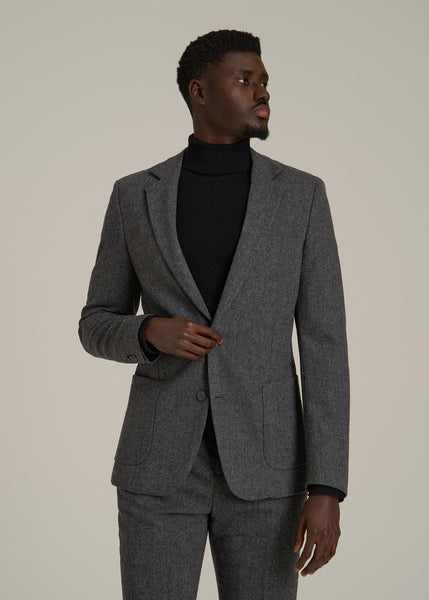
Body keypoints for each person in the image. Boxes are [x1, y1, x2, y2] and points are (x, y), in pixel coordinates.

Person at [78, 29, 350, 600]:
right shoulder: (135, 196)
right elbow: (95, 322)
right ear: (199, 91)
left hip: (268, 470)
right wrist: (147, 331)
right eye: (245, 79)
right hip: (158, 468)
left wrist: (327, 485)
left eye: (265, 81)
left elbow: (325, 346)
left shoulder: (301, 196)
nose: (262, 92)